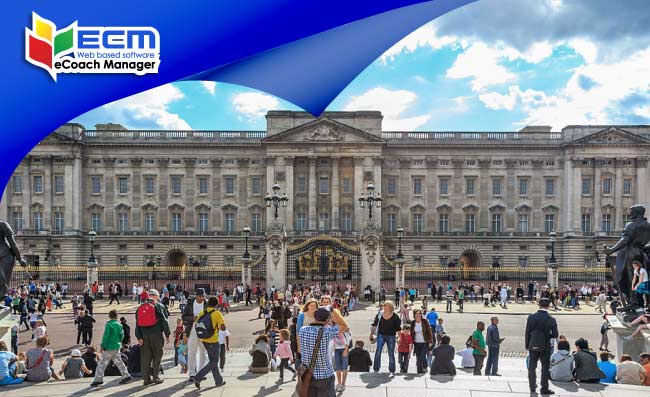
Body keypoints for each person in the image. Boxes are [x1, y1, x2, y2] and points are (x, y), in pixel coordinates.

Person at [298, 307, 349, 396]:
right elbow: (344, 325)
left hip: (308, 376)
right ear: (327, 320)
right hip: (325, 375)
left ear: (314, 317)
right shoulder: (327, 331)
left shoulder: (303, 330)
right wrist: (333, 310)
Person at [135, 288, 170, 386]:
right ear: (155, 296)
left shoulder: (140, 307)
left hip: (144, 335)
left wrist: (139, 337)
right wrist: (167, 334)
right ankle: (156, 377)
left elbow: (137, 323)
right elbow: (164, 321)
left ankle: (146, 379)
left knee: (145, 357)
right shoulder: (159, 306)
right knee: (157, 356)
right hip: (157, 334)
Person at [525, 298, 558, 395]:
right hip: (545, 346)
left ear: (538, 305)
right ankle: (544, 388)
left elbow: (527, 332)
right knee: (545, 367)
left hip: (533, 344)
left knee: (532, 367)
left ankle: (532, 387)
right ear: (548, 306)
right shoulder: (551, 319)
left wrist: (527, 345)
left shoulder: (531, 317)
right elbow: (555, 334)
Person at [90, 309, 131, 387]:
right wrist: (118, 342)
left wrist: (102, 345)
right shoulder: (119, 325)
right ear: (116, 316)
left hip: (109, 347)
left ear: (109, 316)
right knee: (119, 362)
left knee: (102, 364)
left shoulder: (109, 325)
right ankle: (126, 375)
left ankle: (98, 379)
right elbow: (122, 336)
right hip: (116, 346)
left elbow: (106, 336)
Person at [193, 296, 227, 389]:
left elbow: (197, 324)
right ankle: (198, 377)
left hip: (204, 339)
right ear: (216, 304)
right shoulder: (217, 313)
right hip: (213, 340)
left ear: (208, 304)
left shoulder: (202, 312)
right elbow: (223, 327)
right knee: (214, 361)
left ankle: (218, 381)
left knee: (213, 360)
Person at [370, 301, 401, 374]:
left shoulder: (395, 316)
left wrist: (399, 337)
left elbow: (398, 328)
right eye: (385, 306)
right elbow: (374, 325)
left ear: (391, 307)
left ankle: (392, 369)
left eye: (387, 306)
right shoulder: (380, 314)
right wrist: (371, 334)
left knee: (391, 353)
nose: (386, 307)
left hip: (391, 336)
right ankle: (376, 368)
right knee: (378, 352)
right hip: (381, 335)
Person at [410, 309, 433, 374]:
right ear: (414, 314)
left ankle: (425, 366)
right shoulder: (413, 322)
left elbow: (429, 331)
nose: (418, 315)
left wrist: (430, 341)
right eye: (417, 313)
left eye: (419, 313)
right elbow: (411, 334)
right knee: (418, 357)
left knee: (423, 355)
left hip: (424, 342)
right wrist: (411, 343)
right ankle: (419, 371)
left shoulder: (425, 321)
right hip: (416, 343)